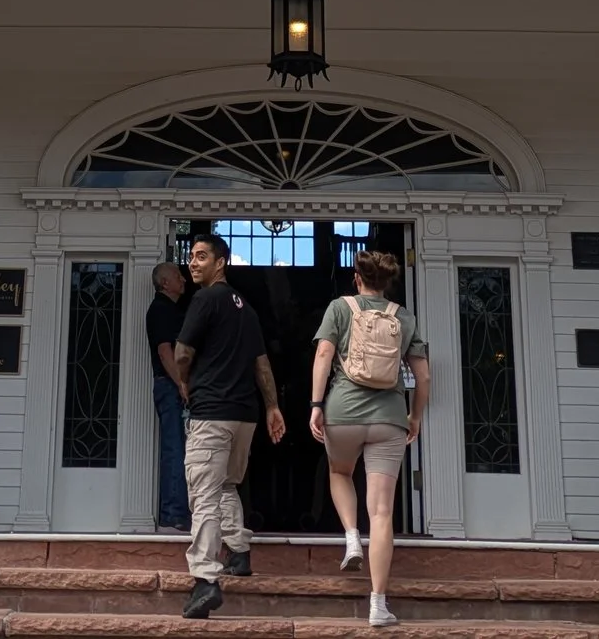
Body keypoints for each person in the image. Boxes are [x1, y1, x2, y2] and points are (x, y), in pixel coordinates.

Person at [310, 248, 429, 629]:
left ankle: (349, 537)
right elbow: (423, 378)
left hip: (343, 412)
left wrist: (316, 405)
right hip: (389, 419)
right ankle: (378, 604)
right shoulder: (403, 317)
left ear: (357, 278)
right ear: (388, 281)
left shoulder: (339, 308)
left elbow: (324, 354)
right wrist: (415, 417)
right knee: (382, 513)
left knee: (339, 473)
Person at [173, 233, 285, 620]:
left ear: (220, 263)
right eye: (191, 256)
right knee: (224, 485)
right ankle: (238, 551)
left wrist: (183, 382)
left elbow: (182, 352)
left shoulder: (204, 300)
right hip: (245, 416)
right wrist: (272, 407)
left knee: (203, 493)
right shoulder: (246, 308)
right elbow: (262, 363)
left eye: (202, 256)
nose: (193, 262)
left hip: (212, 412)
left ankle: (205, 579)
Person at [146, 261, 191, 531]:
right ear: (165, 283)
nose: (183, 280)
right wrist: (182, 384)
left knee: (180, 448)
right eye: (178, 276)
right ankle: (173, 514)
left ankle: (177, 510)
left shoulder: (172, 310)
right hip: (169, 385)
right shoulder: (161, 310)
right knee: (175, 448)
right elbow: (165, 351)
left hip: (172, 385)